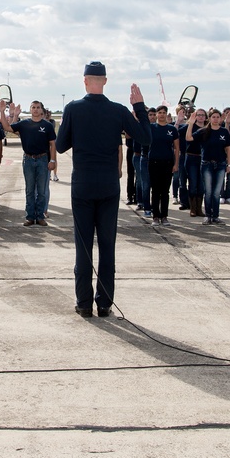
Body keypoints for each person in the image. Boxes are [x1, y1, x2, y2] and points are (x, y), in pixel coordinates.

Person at [55, 61, 151, 318]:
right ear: (105, 81)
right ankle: (105, 304)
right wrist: (139, 107)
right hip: (109, 184)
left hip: (83, 184)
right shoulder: (118, 110)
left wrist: (73, 127)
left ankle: (84, 303)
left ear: (84, 80)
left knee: (83, 246)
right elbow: (145, 137)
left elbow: (61, 146)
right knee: (107, 246)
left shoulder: (73, 108)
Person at [0, 99, 57, 226]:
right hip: (28, 159)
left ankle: (40, 216)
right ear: (30, 109)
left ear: (42, 110)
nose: (35, 109)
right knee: (30, 190)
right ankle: (30, 216)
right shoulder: (24, 124)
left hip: (43, 159)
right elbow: (7, 127)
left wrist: (52, 160)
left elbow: (52, 144)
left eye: (37, 107)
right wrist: (3, 112)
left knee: (41, 190)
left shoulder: (47, 125)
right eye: (33, 107)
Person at [185, 109, 230, 225]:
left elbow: (228, 149)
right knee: (209, 191)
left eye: (217, 117)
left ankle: (215, 216)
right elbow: (189, 138)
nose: (215, 119)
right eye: (213, 117)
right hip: (206, 164)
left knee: (217, 192)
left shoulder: (224, 132)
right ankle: (208, 215)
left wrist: (229, 164)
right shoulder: (203, 131)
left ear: (220, 118)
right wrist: (190, 124)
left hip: (220, 164)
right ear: (209, 118)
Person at [146, 105, 179, 226]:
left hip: (167, 163)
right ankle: (155, 216)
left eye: (164, 112)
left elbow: (176, 148)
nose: (161, 115)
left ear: (167, 114)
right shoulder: (151, 127)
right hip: (154, 162)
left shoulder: (172, 129)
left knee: (165, 191)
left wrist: (176, 164)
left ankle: (164, 216)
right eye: (159, 113)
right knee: (155, 190)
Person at [181, 107, 207, 217]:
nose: (200, 117)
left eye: (202, 115)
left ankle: (199, 208)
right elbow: (177, 133)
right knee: (192, 183)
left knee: (201, 185)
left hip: (203, 158)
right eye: (199, 115)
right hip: (191, 158)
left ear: (206, 117)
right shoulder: (189, 126)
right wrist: (188, 123)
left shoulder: (208, 128)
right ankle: (192, 208)